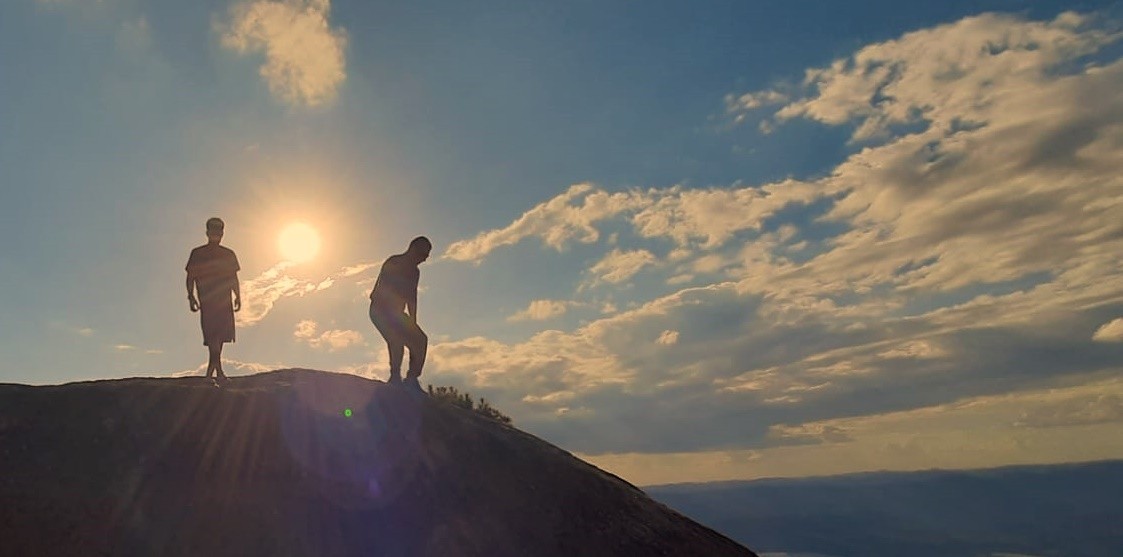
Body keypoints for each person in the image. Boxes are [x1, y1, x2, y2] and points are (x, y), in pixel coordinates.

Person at [369, 236, 431, 391]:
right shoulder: (393, 262)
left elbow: (412, 298)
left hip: (396, 314)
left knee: (421, 340)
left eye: (427, 256)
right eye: (423, 255)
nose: (425, 259)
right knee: (396, 340)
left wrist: (413, 323)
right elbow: (383, 291)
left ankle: (411, 379)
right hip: (380, 310)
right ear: (413, 250)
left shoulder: (415, 272)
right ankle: (395, 376)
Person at [185, 217, 241, 386]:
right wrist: (191, 296)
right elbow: (191, 277)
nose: (217, 234)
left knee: (220, 336)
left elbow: (233, 277)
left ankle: (214, 373)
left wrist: (238, 295)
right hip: (208, 300)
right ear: (207, 233)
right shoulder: (198, 253)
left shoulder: (228, 254)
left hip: (224, 300)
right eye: (214, 231)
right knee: (212, 336)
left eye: (219, 231)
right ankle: (215, 373)